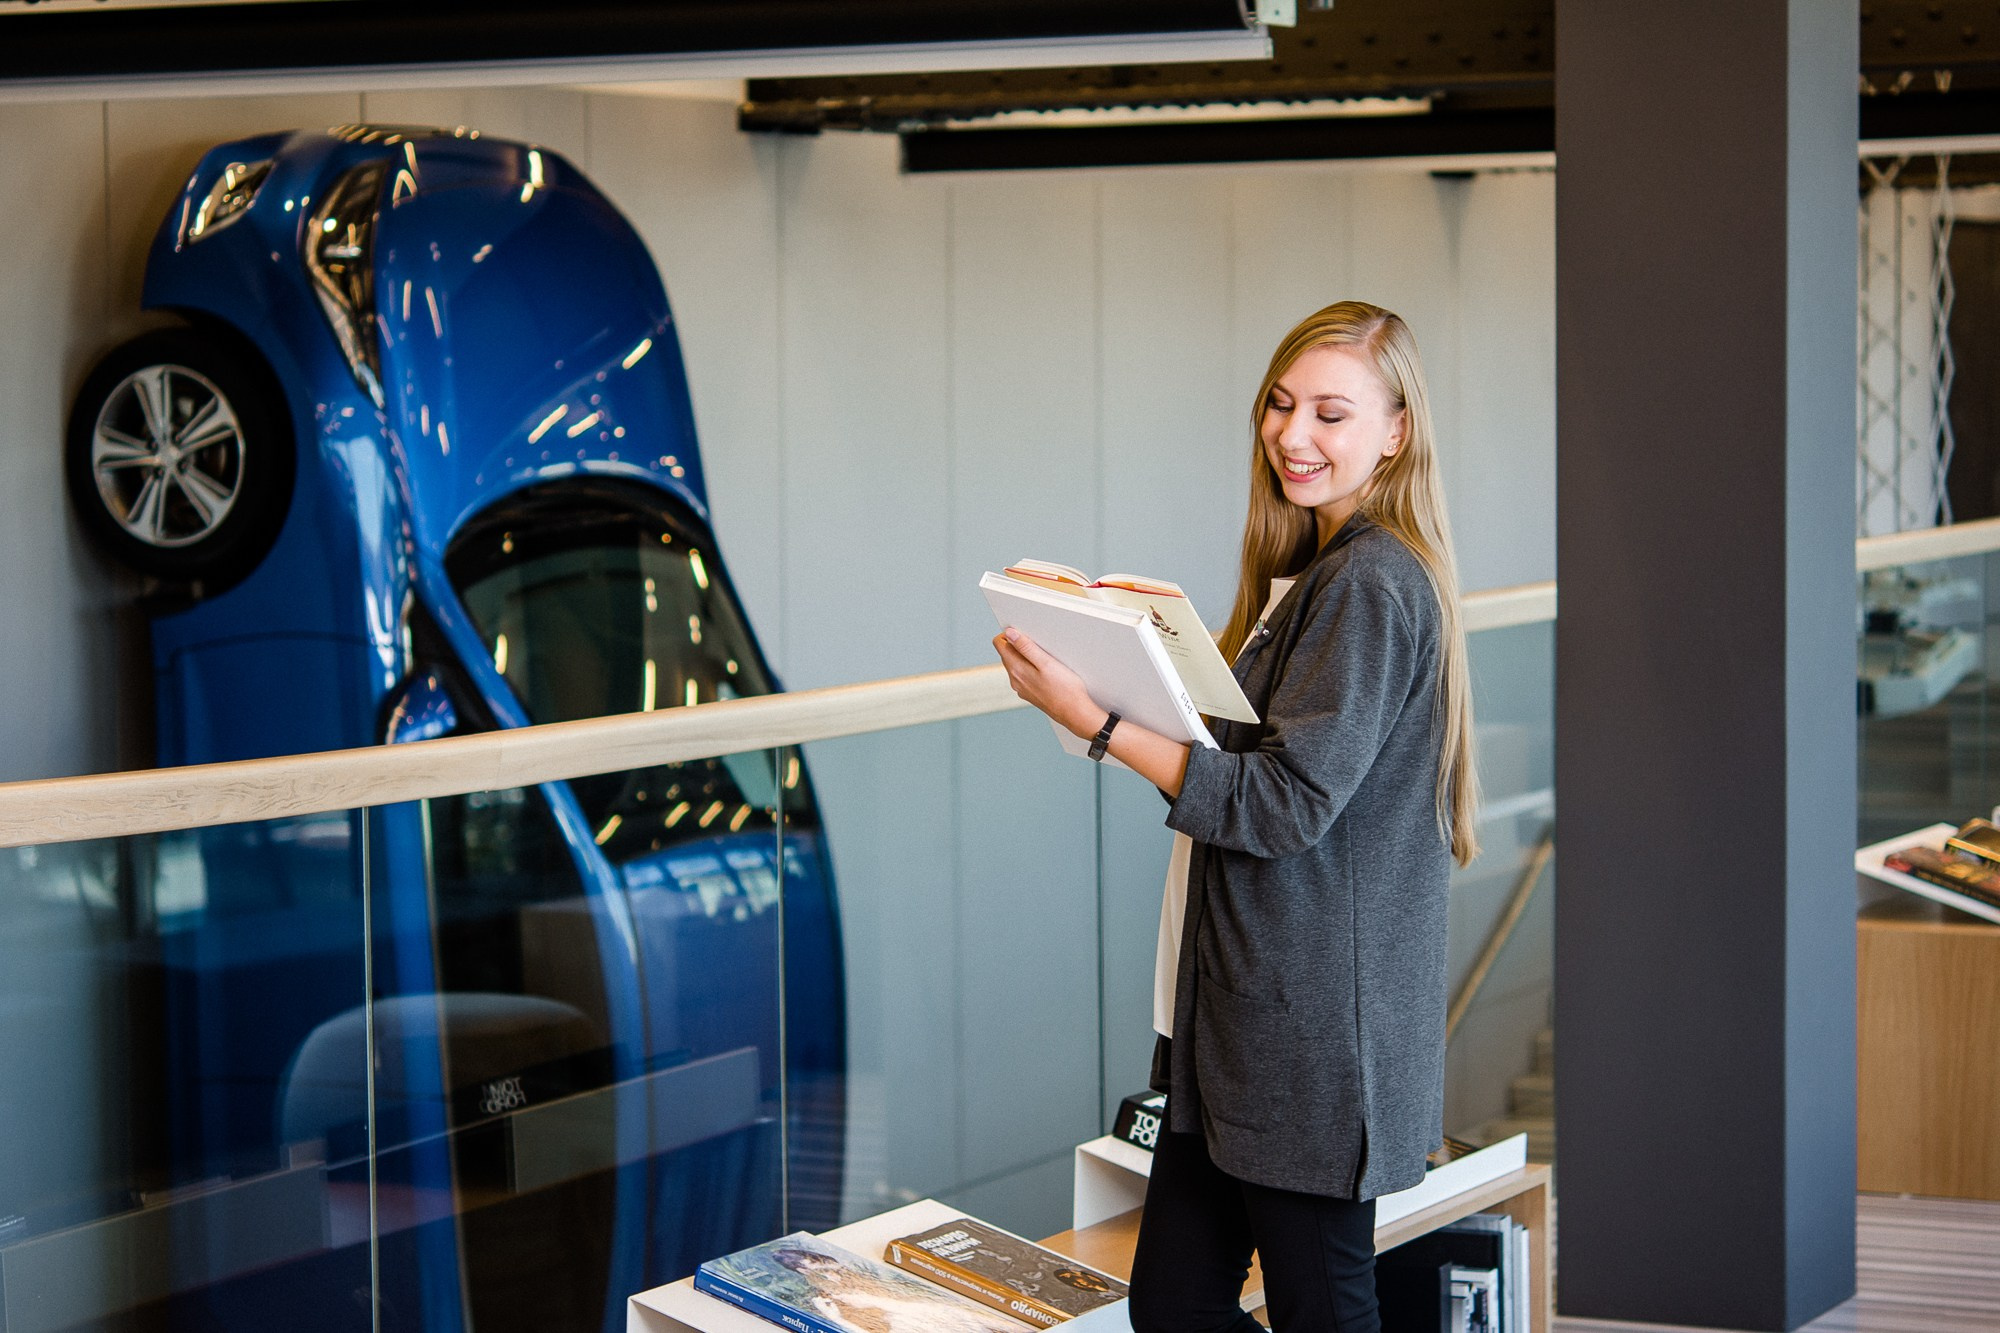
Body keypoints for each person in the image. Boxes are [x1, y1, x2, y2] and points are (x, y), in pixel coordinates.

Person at [993, 301, 1478, 1333]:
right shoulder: (1316, 574)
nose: (1293, 435)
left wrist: (1094, 720)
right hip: (1241, 1018)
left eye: (1330, 414)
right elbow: (1260, 752)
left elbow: (1283, 804)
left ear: (1395, 431)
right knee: (1172, 1309)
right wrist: (1155, 641)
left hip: (1304, 1032)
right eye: (1279, 403)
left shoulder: (1370, 582)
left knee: (1320, 1312)